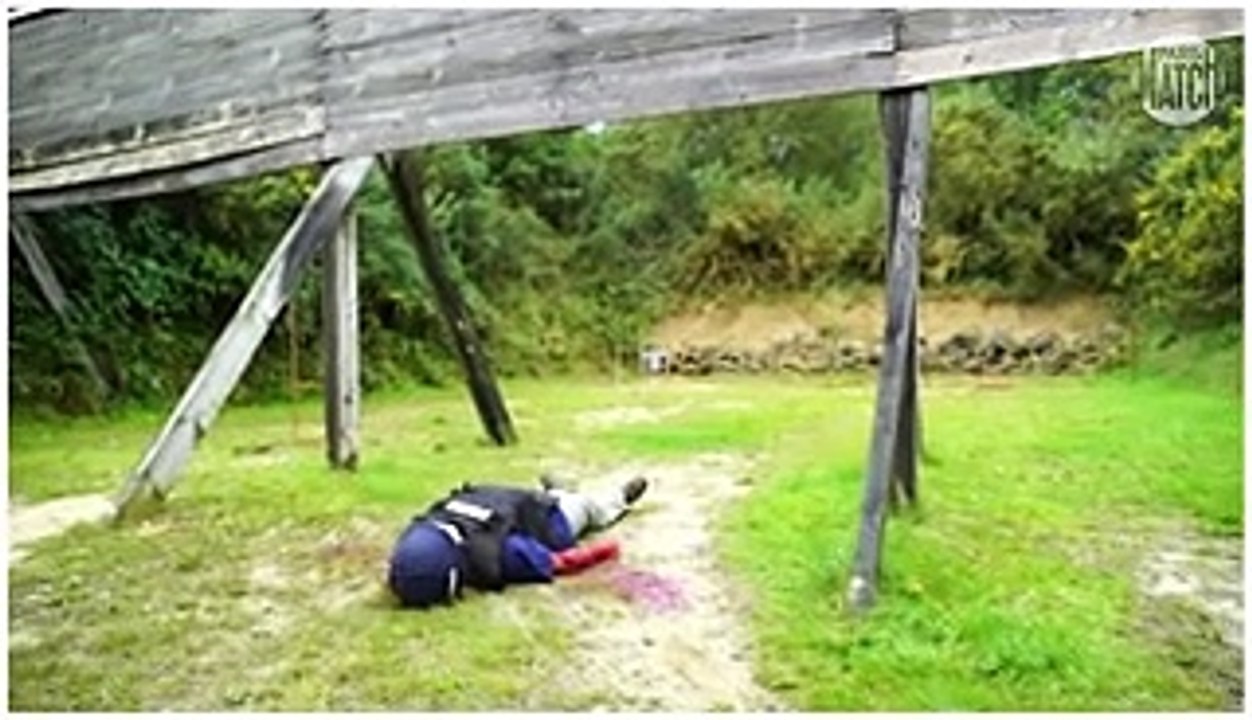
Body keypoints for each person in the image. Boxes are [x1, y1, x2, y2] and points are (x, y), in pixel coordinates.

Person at [387, 474, 649, 608]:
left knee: (592, 508)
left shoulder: (492, 555)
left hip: (551, 517)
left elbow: (559, 562)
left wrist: (603, 552)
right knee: (562, 499)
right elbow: (560, 562)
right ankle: (555, 490)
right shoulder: (428, 524)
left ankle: (618, 499)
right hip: (511, 499)